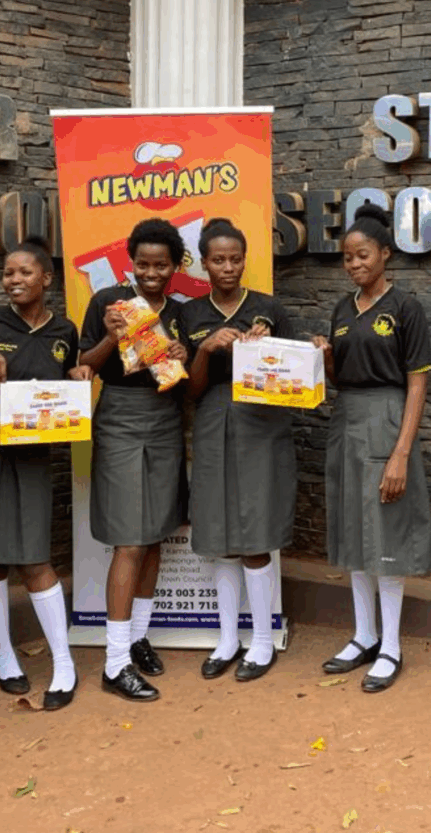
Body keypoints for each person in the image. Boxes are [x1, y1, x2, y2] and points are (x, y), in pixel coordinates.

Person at [0, 236, 91, 711]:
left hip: (35, 454)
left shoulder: (65, 330)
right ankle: (4, 656)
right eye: (7, 274)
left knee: (36, 556)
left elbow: (63, 389)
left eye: (23, 273)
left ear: (47, 278)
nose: (13, 281)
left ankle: (63, 662)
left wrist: (79, 376)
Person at [312, 204, 431, 692]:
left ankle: (391, 646)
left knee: (386, 532)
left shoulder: (406, 308)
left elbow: (418, 384)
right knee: (354, 534)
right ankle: (363, 635)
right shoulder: (343, 309)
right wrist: (325, 357)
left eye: (363, 255)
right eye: (347, 258)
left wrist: (402, 452)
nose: (354, 264)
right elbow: (342, 377)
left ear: (385, 254)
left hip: (387, 421)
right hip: (347, 422)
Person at [78, 217, 188, 702]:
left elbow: (183, 376)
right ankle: (114, 662)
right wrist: (110, 336)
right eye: (142, 263)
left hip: (165, 419)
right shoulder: (108, 303)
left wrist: (185, 354)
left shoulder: (183, 311)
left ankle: (137, 635)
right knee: (128, 539)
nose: (150, 272)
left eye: (160, 264)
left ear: (175, 266)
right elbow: (84, 367)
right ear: (131, 264)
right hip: (120, 418)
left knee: (156, 530)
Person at [183, 217, 297, 682]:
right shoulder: (189, 314)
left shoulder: (269, 308)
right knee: (220, 536)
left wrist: (267, 354)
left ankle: (263, 641)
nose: (228, 267)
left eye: (235, 259)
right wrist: (207, 349)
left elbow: (294, 380)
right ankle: (227, 638)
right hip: (212, 423)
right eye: (218, 260)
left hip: (261, 425)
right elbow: (188, 390)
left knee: (255, 533)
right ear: (204, 263)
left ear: (245, 260)